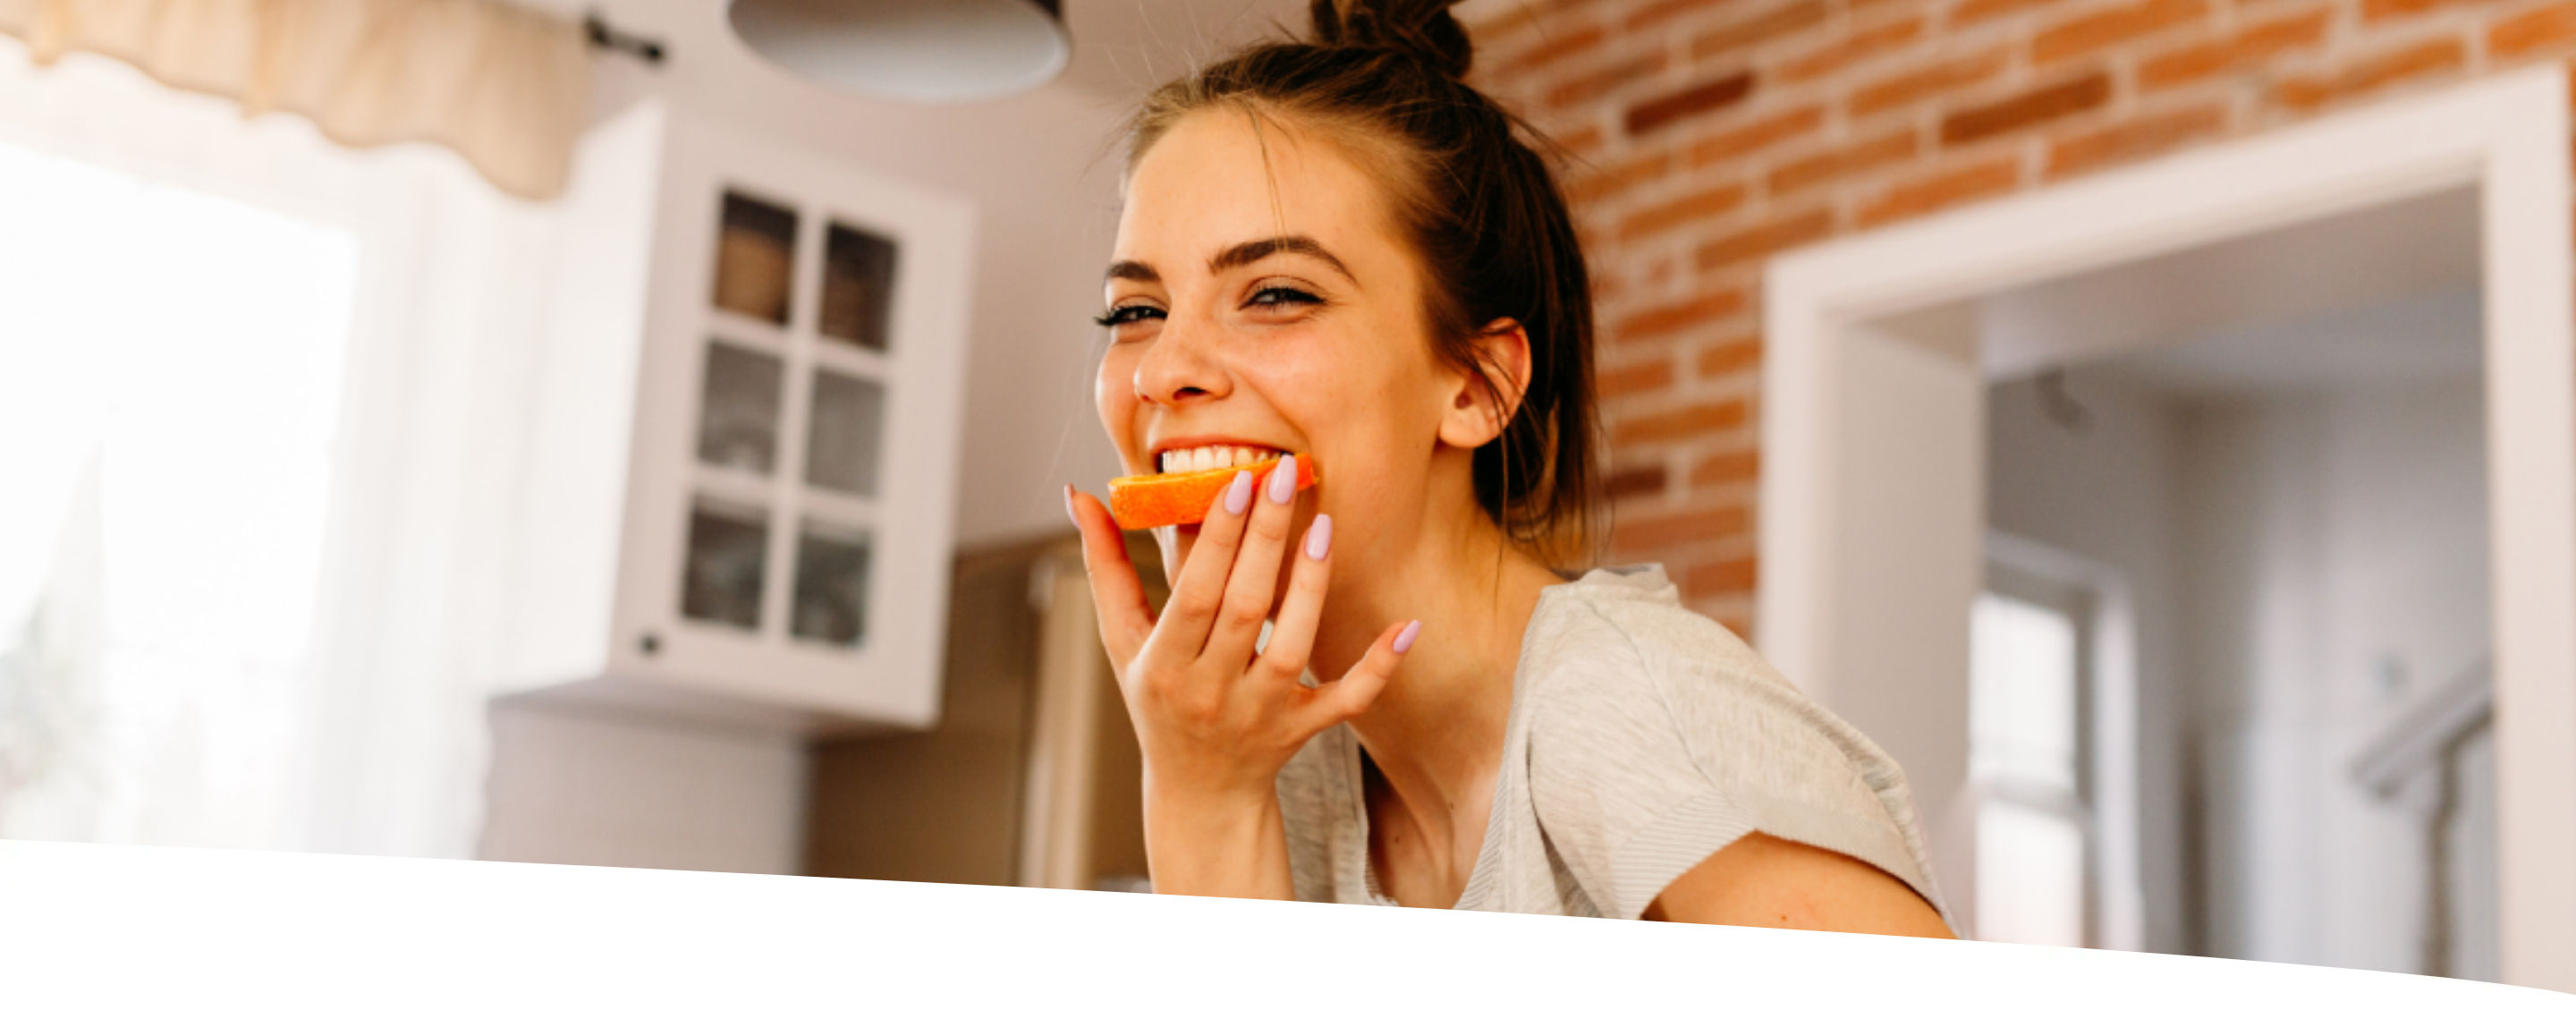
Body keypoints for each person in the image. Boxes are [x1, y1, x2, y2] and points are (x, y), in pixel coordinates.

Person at [1063, 0, 1953, 937]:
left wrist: (1202, 796)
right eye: (1134, 311)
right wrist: (1202, 786)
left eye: (1278, 294)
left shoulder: (1625, 705)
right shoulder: (1278, 752)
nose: (1163, 370)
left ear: (1477, 386)